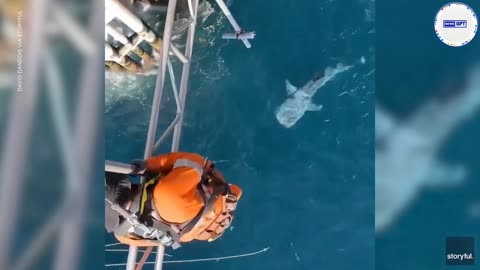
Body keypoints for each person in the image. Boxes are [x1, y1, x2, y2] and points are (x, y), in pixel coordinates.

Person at [105, 152, 242, 247]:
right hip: (174, 200)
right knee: (196, 166)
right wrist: (149, 165)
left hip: (187, 230)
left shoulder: (122, 236)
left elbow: (159, 242)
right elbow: (194, 162)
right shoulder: (168, 193)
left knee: (209, 176)